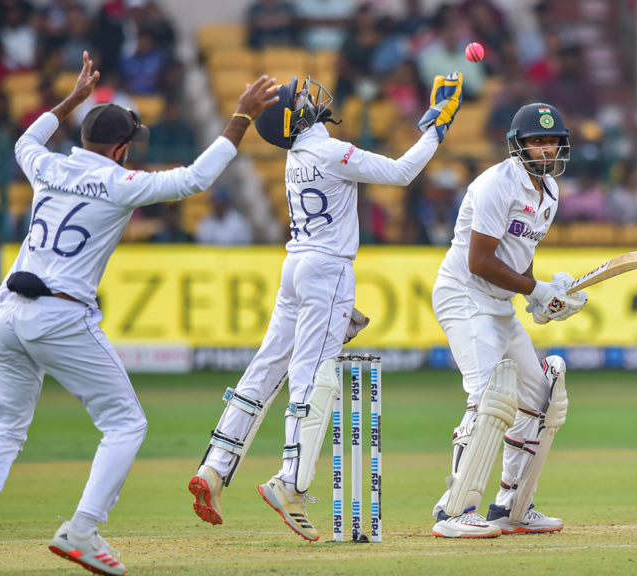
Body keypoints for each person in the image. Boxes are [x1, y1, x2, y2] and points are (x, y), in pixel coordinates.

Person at [0, 52, 279, 576]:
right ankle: (82, 529)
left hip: (9, 314)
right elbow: (196, 178)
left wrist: (72, 100)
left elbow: (23, 141)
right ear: (121, 150)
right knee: (126, 423)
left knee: (5, 429)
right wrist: (240, 117)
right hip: (60, 315)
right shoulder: (122, 185)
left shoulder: (48, 164)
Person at [188, 71, 463, 541]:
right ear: (296, 117)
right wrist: (436, 126)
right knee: (314, 375)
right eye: (302, 98)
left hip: (296, 268)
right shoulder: (330, 151)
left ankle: (214, 467)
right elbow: (400, 173)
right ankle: (290, 482)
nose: (311, 98)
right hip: (329, 271)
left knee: (266, 367)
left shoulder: (297, 155)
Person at [429, 103, 588, 538]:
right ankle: (454, 511)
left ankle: (510, 506)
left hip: (499, 303)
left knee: (541, 402)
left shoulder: (550, 192)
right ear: (519, 145)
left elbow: (520, 263)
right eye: (537, 141)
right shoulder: (496, 185)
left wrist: (548, 299)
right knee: (486, 398)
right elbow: (479, 262)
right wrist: (535, 290)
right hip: (464, 294)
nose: (546, 148)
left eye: (552, 140)